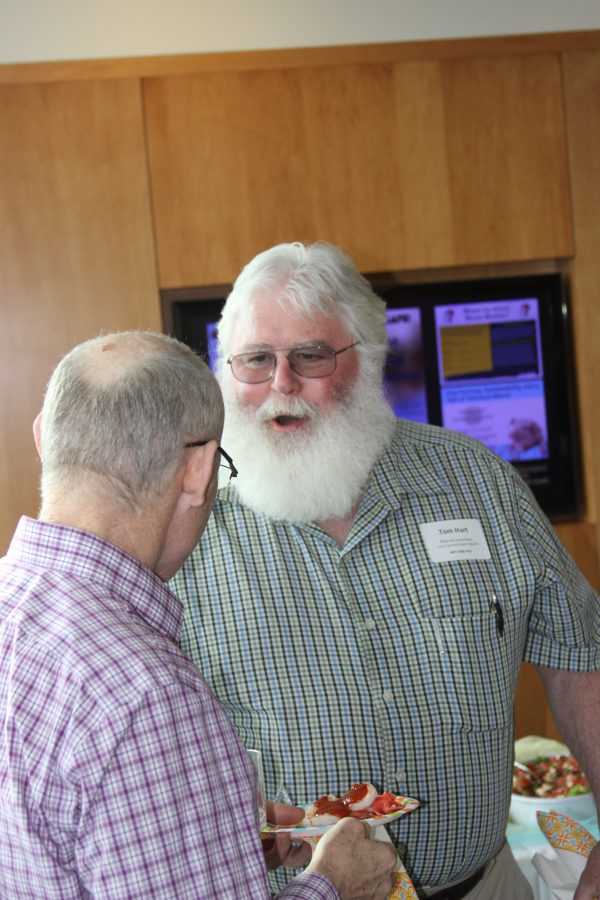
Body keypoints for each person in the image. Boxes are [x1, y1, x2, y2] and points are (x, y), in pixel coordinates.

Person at [171, 243, 600, 900]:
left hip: (485, 885)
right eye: (256, 360)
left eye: (310, 356)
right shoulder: (183, 522)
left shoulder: (477, 482)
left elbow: (580, 653)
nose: (281, 385)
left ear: (369, 358)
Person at [0, 331, 396, 899]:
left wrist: (211, 845)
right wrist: (335, 886)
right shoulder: (145, 693)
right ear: (198, 469)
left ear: (44, 438)